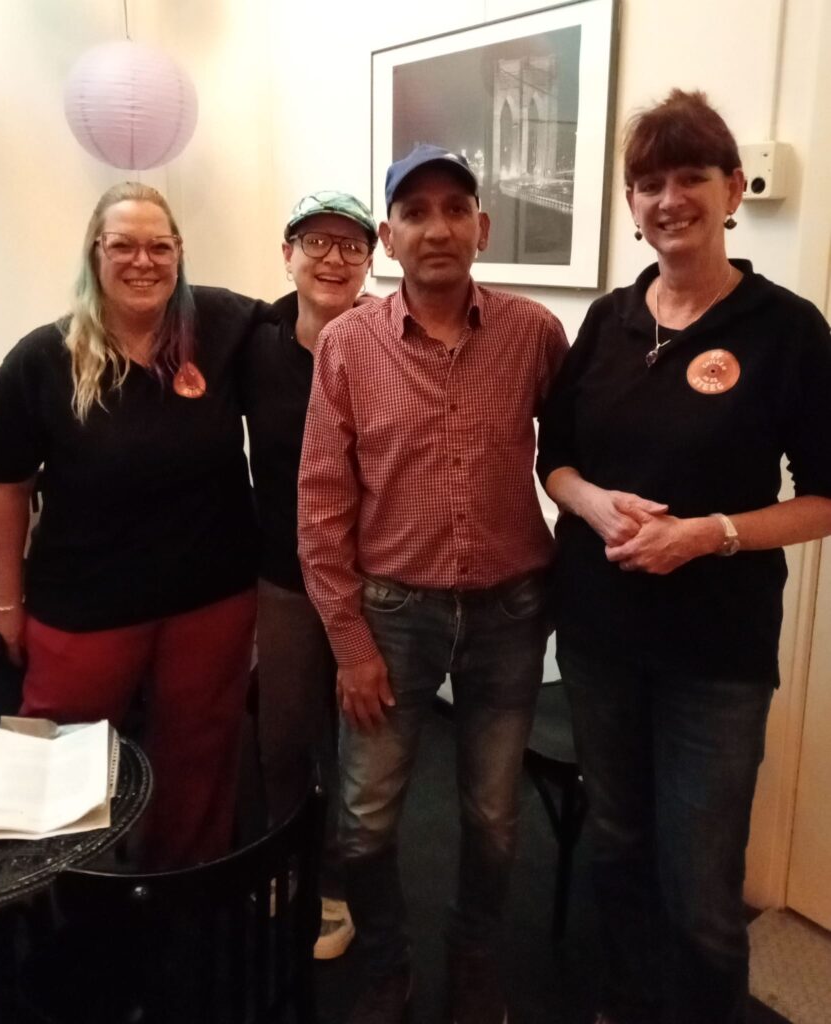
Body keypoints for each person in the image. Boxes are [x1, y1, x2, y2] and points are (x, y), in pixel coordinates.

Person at [536, 89, 831, 1024]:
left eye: (690, 177)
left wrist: (708, 534)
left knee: (702, 886)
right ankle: (624, 1003)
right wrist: (591, 503)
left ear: (732, 189)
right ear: (631, 204)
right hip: (597, 639)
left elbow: (824, 499)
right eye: (648, 183)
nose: (669, 199)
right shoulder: (607, 322)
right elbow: (554, 459)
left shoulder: (786, 329)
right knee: (617, 844)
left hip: (715, 655)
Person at [298, 144, 569, 1024]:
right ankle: (386, 965)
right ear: (389, 237)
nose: (437, 227)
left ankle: (474, 957)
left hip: (509, 614)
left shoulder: (534, 334)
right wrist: (349, 644)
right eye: (415, 212)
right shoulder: (347, 345)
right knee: (365, 820)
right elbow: (321, 504)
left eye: (455, 209)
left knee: (492, 818)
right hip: (391, 616)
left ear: (481, 227)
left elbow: (577, 458)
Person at [0, 181, 271, 871]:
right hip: (85, 605)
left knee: (200, 753)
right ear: (95, 253)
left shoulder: (221, 326)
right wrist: (6, 601)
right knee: (58, 761)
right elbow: (5, 485)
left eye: (159, 247)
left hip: (210, 596)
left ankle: (181, 886)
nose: (143, 261)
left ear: (179, 253)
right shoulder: (41, 359)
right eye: (123, 246)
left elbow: (304, 321)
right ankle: (56, 893)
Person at [240, 190, 377, 959]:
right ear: (286, 252)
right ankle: (285, 860)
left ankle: (340, 882)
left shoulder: (388, 339)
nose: (332, 258)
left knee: (361, 751)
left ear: (370, 260)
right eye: (315, 242)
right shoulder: (253, 343)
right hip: (285, 579)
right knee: (284, 738)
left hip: (375, 584)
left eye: (350, 245)